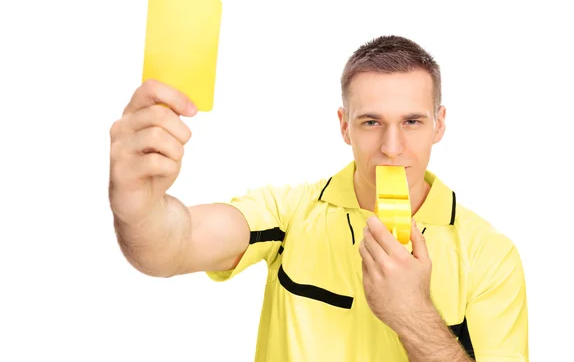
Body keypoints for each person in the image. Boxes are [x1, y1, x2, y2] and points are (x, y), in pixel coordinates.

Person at [108, 35, 528, 361]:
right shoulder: (290, 214)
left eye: (413, 121)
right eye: (371, 122)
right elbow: (169, 248)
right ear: (345, 126)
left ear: (439, 124)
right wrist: (137, 208)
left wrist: (412, 314)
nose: (392, 147)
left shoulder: (491, 256)